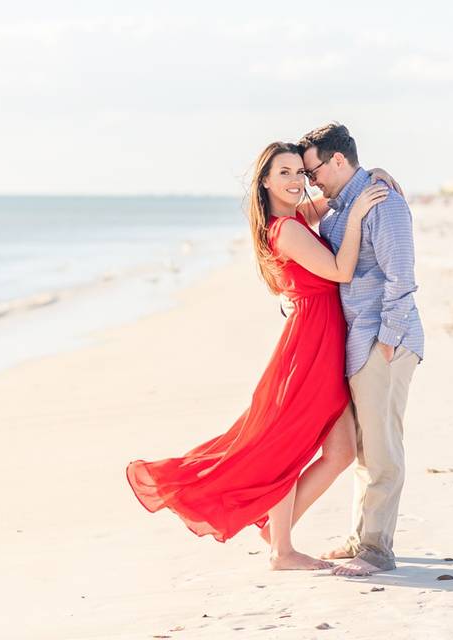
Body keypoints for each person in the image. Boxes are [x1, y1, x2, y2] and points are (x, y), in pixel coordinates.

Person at [126, 141, 392, 571]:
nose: (294, 181)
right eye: (283, 173)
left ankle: (275, 532)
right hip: (310, 346)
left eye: (299, 173)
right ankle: (282, 550)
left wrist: (370, 176)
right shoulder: (285, 229)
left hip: (322, 340)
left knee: (339, 452)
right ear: (265, 181)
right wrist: (360, 215)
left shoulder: (294, 218)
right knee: (285, 446)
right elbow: (341, 270)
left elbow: (328, 199)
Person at [290, 123, 424, 576]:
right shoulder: (340, 209)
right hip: (357, 342)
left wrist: (387, 340)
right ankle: (360, 536)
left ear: (339, 161)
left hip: (383, 341)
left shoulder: (383, 205)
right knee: (366, 445)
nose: (311, 182)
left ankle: (377, 550)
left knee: (383, 446)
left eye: (313, 172)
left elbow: (401, 277)